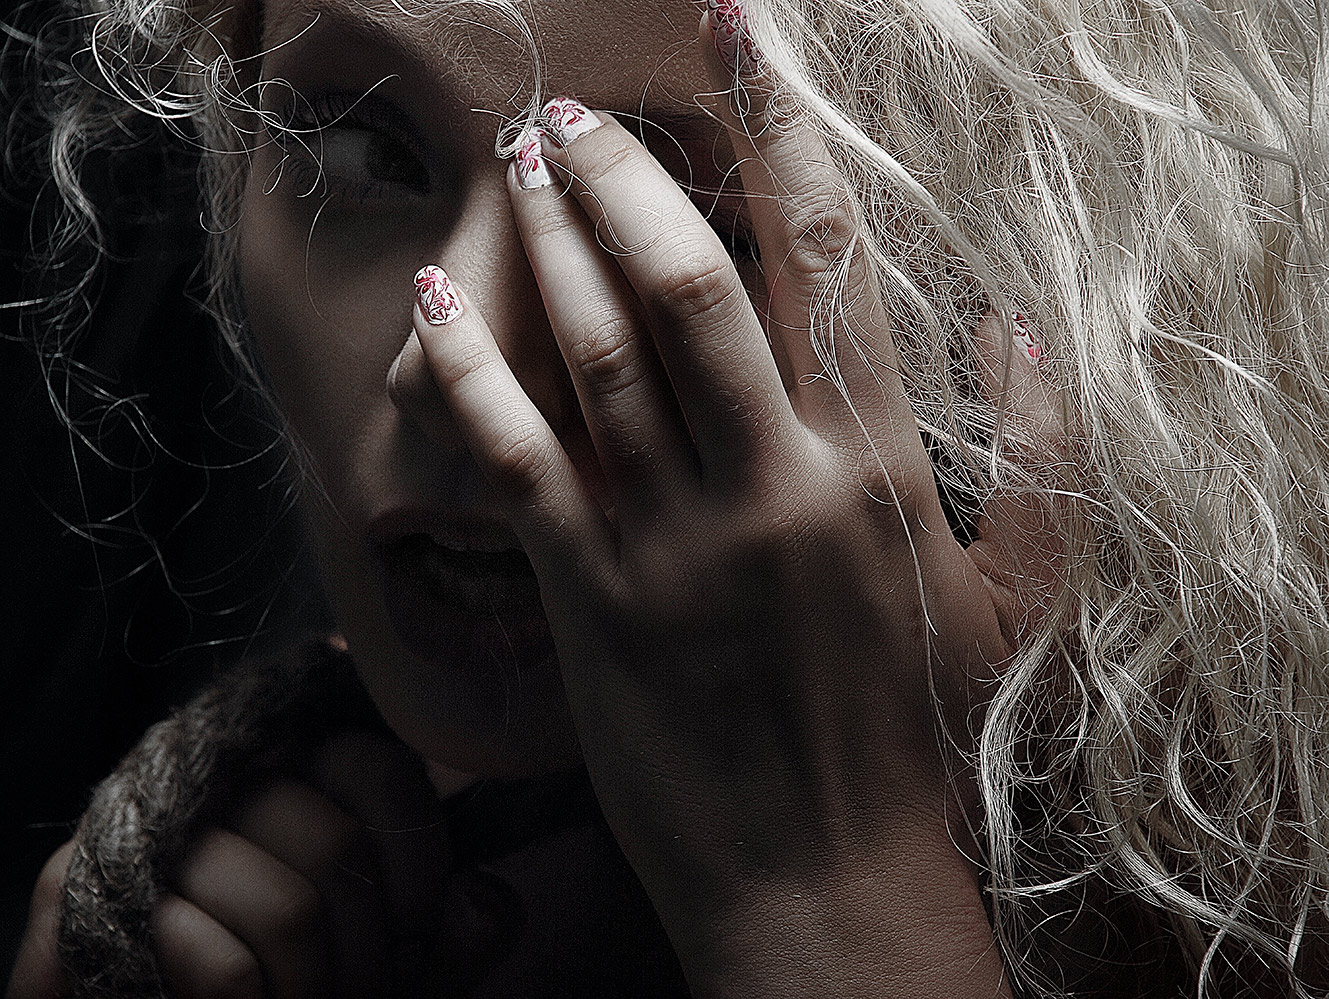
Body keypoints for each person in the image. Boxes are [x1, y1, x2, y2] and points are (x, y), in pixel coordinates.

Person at [6, 0, 1329, 994]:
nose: (456, 370)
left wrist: (822, 891)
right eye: (359, 148)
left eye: (683, 214)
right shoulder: (269, 876)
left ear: (1035, 285)